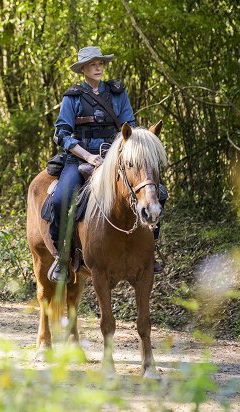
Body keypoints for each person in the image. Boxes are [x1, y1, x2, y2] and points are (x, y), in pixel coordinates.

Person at [49, 46, 163, 282]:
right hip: (80, 157)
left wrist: (120, 154)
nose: (98, 67)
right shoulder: (72, 97)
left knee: (156, 192)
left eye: (100, 63)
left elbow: (129, 127)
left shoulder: (117, 93)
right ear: (83, 69)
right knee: (60, 198)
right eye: (92, 64)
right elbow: (61, 134)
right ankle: (62, 258)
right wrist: (88, 157)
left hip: (116, 157)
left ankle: (151, 251)